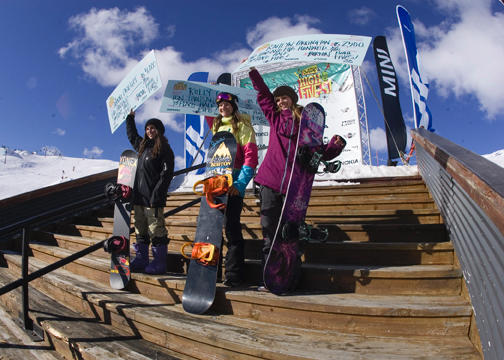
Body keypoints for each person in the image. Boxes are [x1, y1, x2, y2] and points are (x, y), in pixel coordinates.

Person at [248, 67, 346, 290]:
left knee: (290, 236)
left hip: (294, 189)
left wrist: (334, 146)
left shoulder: (308, 127)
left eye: (285, 98)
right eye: (278, 99)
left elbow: (319, 153)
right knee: (270, 233)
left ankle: (290, 276)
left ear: (292, 100)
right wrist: (254, 73)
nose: (281, 101)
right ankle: (268, 277)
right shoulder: (274, 117)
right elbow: (263, 95)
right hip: (270, 183)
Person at [206, 92, 258, 287]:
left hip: (233, 184)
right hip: (216, 182)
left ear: (233, 106)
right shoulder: (216, 126)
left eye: (226, 104)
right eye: (219, 105)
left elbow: (251, 158)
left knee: (231, 227)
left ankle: (234, 274)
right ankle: (211, 271)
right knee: (211, 228)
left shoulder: (243, 126)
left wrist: (240, 184)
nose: (223, 107)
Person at [126, 109, 175, 274]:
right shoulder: (143, 147)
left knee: (156, 230)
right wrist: (130, 118)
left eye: (153, 128)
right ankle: (141, 259)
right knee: (140, 228)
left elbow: (166, 174)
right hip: (139, 198)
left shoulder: (164, 149)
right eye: (147, 128)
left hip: (153, 198)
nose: (149, 131)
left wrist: (158, 194)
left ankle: (159, 263)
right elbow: (132, 135)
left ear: (159, 130)